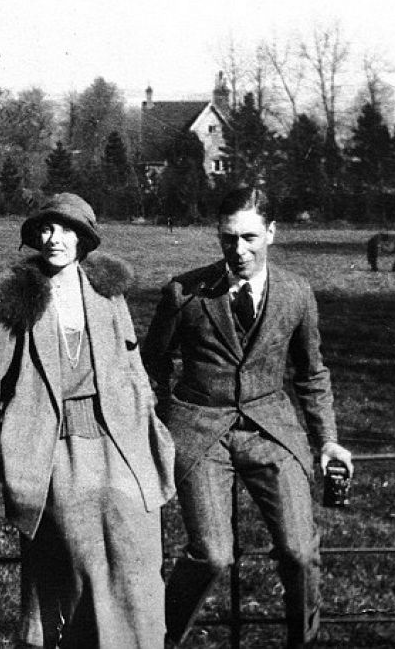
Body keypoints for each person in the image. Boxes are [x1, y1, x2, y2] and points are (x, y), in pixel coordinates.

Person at [142, 187, 353, 649]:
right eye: (228, 238)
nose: (238, 250)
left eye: (250, 237)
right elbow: (151, 362)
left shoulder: (296, 293)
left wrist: (328, 439)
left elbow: (311, 373)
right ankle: (158, 640)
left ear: (272, 233)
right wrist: (160, 422)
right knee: (213, 554)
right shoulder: (184, 293)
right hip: (200, 431)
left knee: (300, 551)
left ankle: (303, 642)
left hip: (271, 430)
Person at [0, 193, 176, 648]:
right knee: (83, 560)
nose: (54, 239)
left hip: (117, 439)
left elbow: (133, 368)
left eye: (66, 230)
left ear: (83, 239)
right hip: (54, 448)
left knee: (137, 549)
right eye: (46, 228)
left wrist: (146, 420)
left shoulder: (107, 293)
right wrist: (7, 443)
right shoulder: (22, 298)